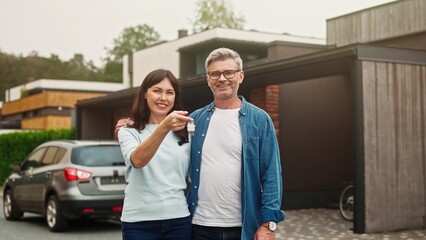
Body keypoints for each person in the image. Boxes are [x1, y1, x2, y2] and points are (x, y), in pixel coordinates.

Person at [116, 48, 285, 240]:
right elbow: (149, 145)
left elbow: (272, 175)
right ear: (208, 79)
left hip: (244, 225)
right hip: (199, 225)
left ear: (240, 76)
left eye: (228, 72)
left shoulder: (259, 120)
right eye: (215, 73)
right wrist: (131, 124)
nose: (222, 78)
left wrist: (268, 224)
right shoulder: (193, 121)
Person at [117, 69, 193, 240]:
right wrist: (164, 126)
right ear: (145, 94)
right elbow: (137, 160)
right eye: (157, 91)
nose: (163, 98)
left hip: (178, 220)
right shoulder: (128, 131)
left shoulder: (187, 132)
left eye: (169, 92)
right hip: (138, 222)